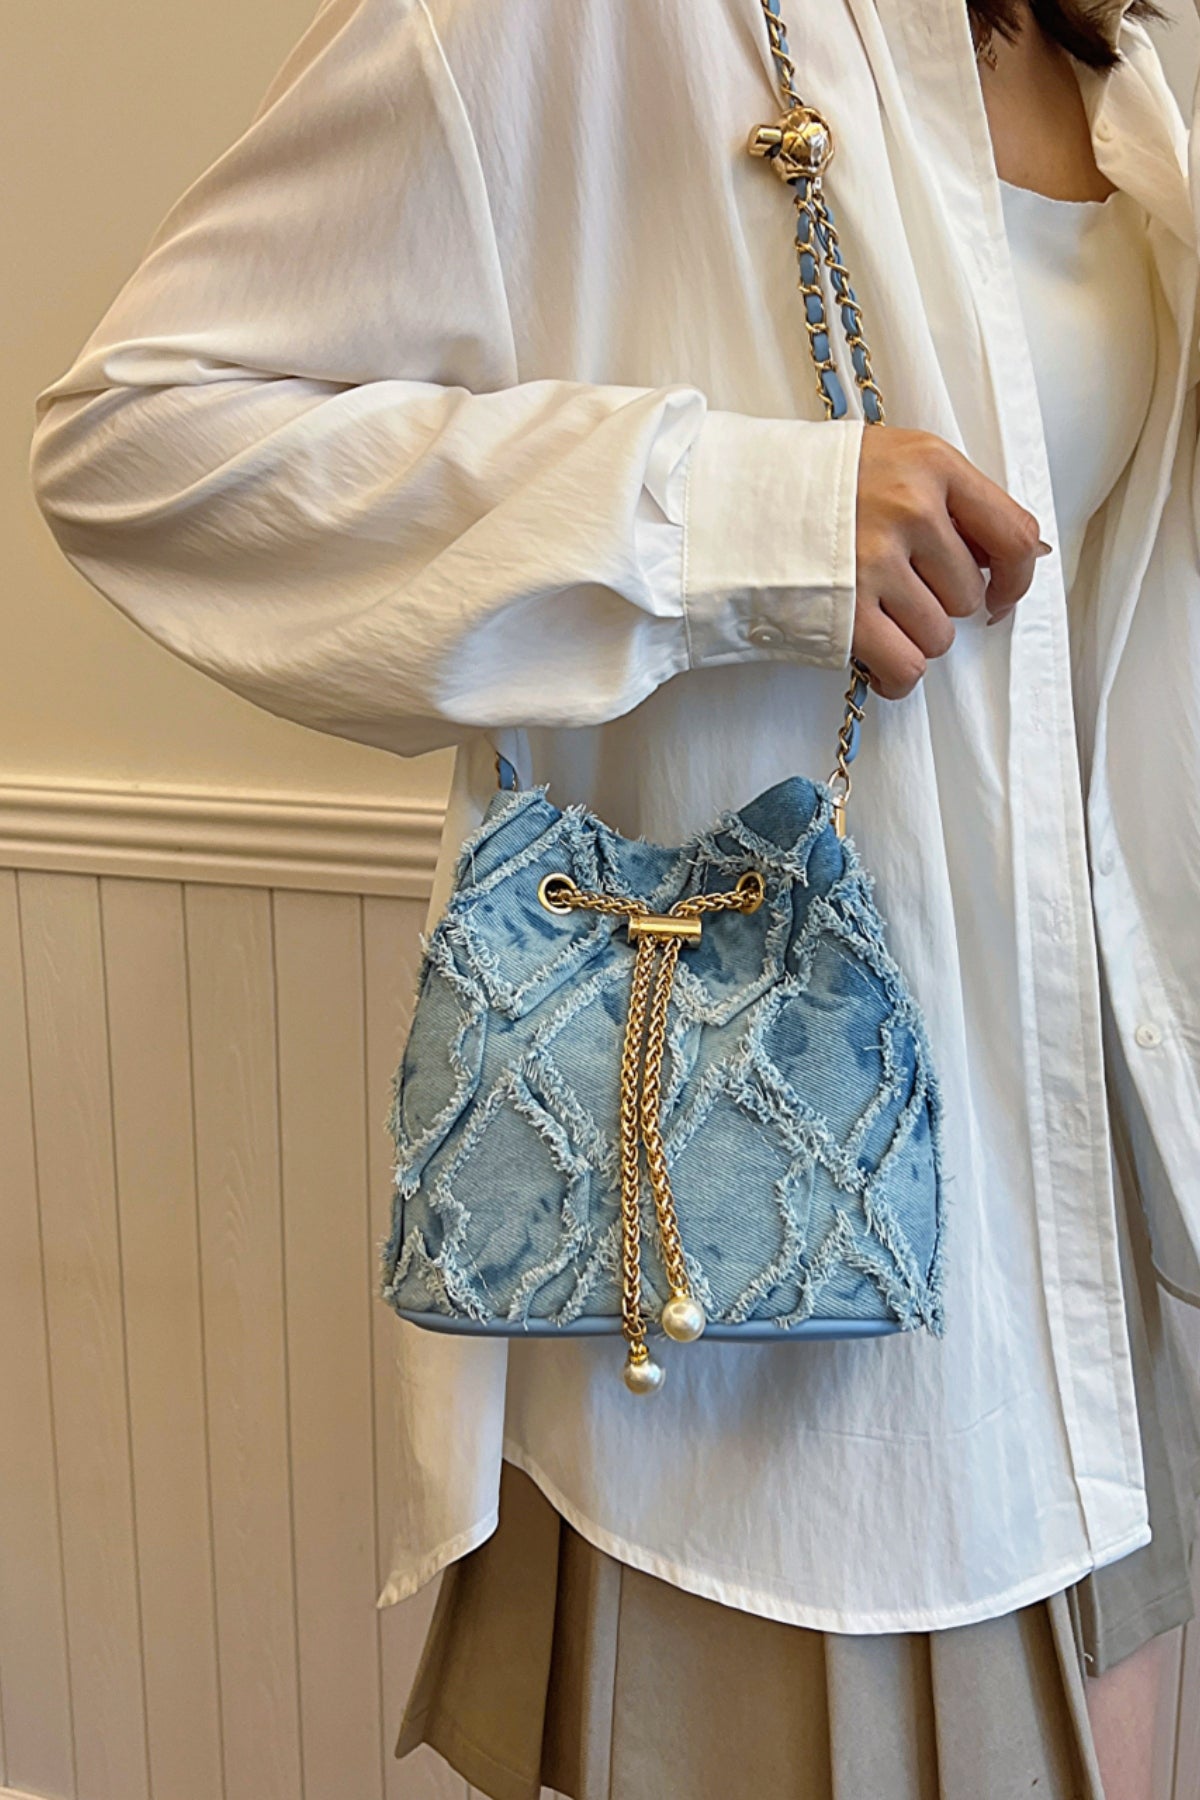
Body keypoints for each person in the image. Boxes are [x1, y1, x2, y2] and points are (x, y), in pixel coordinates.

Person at [27, 0, 1200, 1793]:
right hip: (772, 1250)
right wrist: (727, 517)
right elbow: (140, 444)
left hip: (1092, 1183)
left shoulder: (1118, 47)